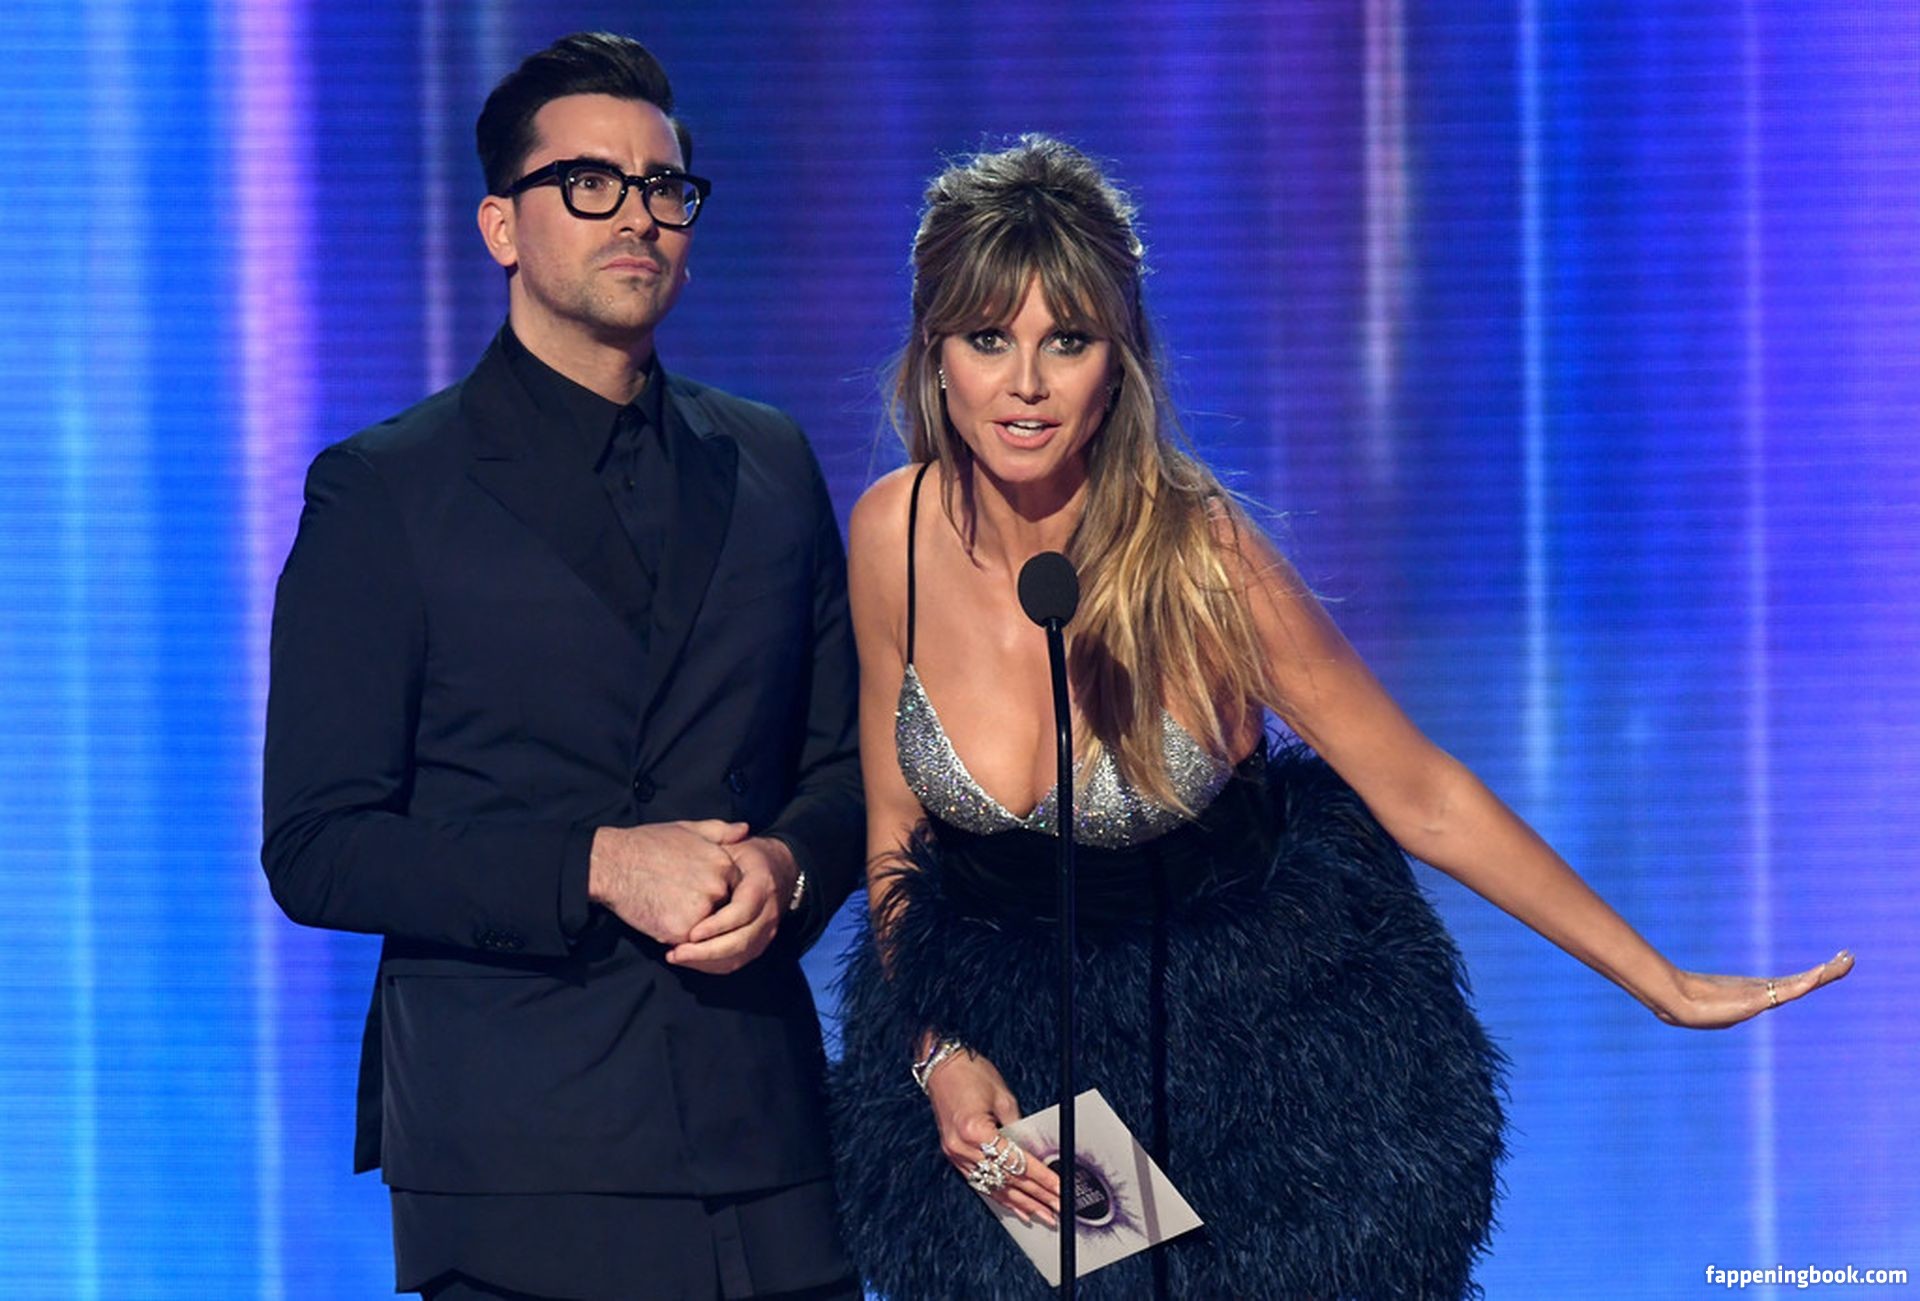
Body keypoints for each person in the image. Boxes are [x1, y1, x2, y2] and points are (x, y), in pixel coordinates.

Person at [828, 135, 1853, 1299]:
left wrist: (1663, 982)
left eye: (1067, 340)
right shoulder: (891, 534)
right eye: (987, 338)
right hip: (1007, 1074)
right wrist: (938, 1049)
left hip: (1246, 1080)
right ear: (934, 353)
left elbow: (1422, 793)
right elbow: (897, 837)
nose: (1025, 383)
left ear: (1120, 362)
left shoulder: (1201, 556)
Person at [262, 33, 863, 1301]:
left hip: (765, 1138)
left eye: (664, 186)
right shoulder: (386, 490)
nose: (637, 215)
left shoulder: (769, 461)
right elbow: (318, 844)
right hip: (516, 1154)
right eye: (591, 183)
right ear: (502, 225)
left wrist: (787, 864)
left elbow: (844, 765)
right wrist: (595, 861)